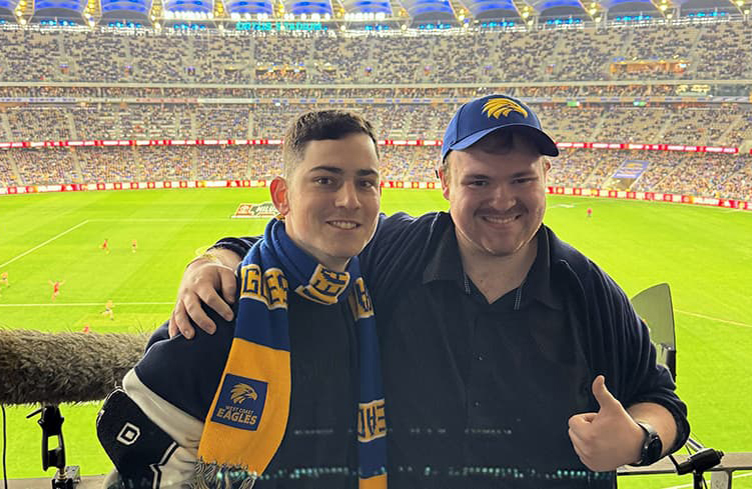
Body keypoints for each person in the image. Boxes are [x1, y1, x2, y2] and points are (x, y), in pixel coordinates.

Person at [170, 95, 689, 489]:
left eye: (521, 180)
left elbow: (662, 402)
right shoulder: (393, 251)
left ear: (546, 178)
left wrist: (637, 441)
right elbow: (297, 245)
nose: (502, 200)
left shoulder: (586, 288)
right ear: (443, 181)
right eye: (479, 182)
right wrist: (216, 259)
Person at [96, 109, 386, 489]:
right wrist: (212, 260)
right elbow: (142, 460)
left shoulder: (373, 282)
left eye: (365, 183)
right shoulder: (220, 309)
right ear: (282, 196)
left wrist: (220, 252)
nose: (349, 200)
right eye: (325, 180)